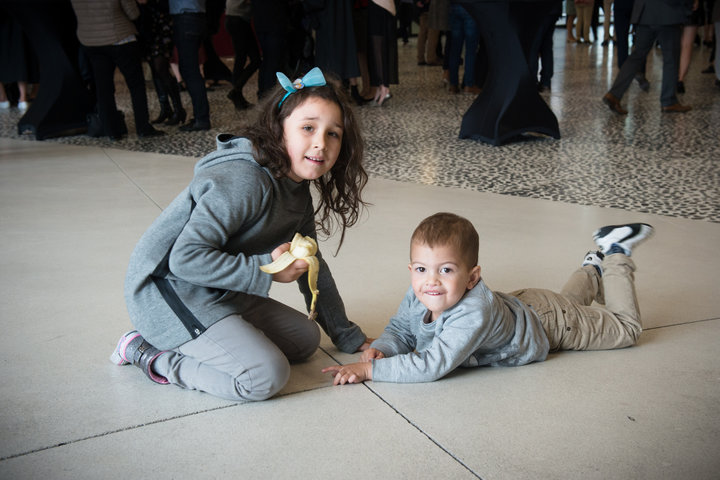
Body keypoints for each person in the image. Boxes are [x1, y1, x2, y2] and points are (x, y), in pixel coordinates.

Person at [111, 67, 373, 401]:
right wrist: (266, 268)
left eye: (333, 133)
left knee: (306, 339)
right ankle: (149, 353)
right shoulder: (246, 180)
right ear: (278, 130)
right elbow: (184, 259)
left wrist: (347, 336)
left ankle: (217, 333)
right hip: (170, 292)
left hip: (220, 289)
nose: (321, 142)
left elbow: (314, 267)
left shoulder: (297, 190)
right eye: (308, 128)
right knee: (264, 376)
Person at [322, 213, 653, 385]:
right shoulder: (420, 291)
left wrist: (371, 371)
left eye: (446, 270)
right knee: (569, 304)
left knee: (625, 329)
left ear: (473, 277)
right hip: (531, 307)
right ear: (411, 269)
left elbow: (432, 364)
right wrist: (385, 347)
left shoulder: (473, 311)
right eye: (421, 269)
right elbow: (401, 330)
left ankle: (615, 251)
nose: (431, 281)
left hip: (552, 325)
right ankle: (591, 269)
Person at [71, 0, 164, 139]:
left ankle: (111, 131)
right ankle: (143, 128)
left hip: (91, 41)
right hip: (120, 37)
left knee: (103, 89)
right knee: (136, 85)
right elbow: (133, 13)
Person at [603, 0, 694, 115]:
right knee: (671, 58)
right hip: (669, 13)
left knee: (636, 56)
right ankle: (668, 101)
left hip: (645, 12)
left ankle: (614, 94)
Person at [169, 0, 211, 131]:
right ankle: (200, 117)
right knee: (190, 70)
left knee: (190, 71)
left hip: (186, 19)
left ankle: (202, 119)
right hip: (196, 18)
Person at [224, 0, 260, 110]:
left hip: (235, 18)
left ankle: (237, 95)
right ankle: (236, 92)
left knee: (242, 59)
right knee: (253, 59)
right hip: (238, 19)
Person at [367, 0, 398, 105]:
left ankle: (384, 87)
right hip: (377, 6)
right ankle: (381, 87)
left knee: (379, 49)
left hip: (381, 7)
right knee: (375, 49)